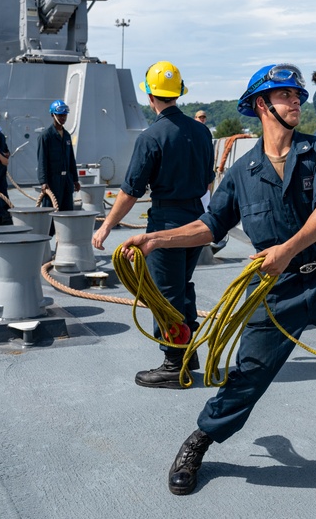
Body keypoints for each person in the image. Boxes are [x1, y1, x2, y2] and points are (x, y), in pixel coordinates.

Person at [117, 63, 316, 496]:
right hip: (274, 292)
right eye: (286, 95)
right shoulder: (242, 172)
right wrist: (156, 239)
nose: (297, 101)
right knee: (249, 374)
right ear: (261, 105)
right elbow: (211, 226)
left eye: (297, 96)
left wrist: (287, 249)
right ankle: (199, 442)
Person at [92, 61, 214, 388]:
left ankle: (175, 364)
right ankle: (188, 353)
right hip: (197, 222)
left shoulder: (151, 137)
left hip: (166, 222)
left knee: (166, 295)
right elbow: (207, 179)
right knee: (183, 286)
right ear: (178, 94)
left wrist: (105, 227)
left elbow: (131, 192)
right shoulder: (202, 132)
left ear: (150, 97)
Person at [37, 100, 81, 212]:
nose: (63, 118)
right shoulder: (46, 136)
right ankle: (50, 231)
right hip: (52, 181)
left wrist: (75, 180)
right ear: (53, 115)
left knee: (67, 212)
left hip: (66, 180)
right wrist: (43, 182)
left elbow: (71, 159)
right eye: (60, 115)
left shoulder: (66, 135)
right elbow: (42, 160)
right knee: (51, 212)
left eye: (65, 115)